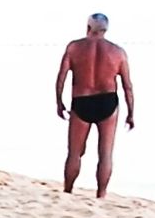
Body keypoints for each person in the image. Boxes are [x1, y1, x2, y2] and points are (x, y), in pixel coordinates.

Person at [55, 13, 134, 196]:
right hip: (108, 101)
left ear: (88, 27)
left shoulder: (74, 47)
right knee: (105, 154)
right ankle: (101, 194)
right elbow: (127, 86)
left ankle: (68, 191)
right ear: (105, 30)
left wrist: (59, 102)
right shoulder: (118, 52)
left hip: (82, 100)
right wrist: (131, 113)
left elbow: (61, 77)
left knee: (74, 152)